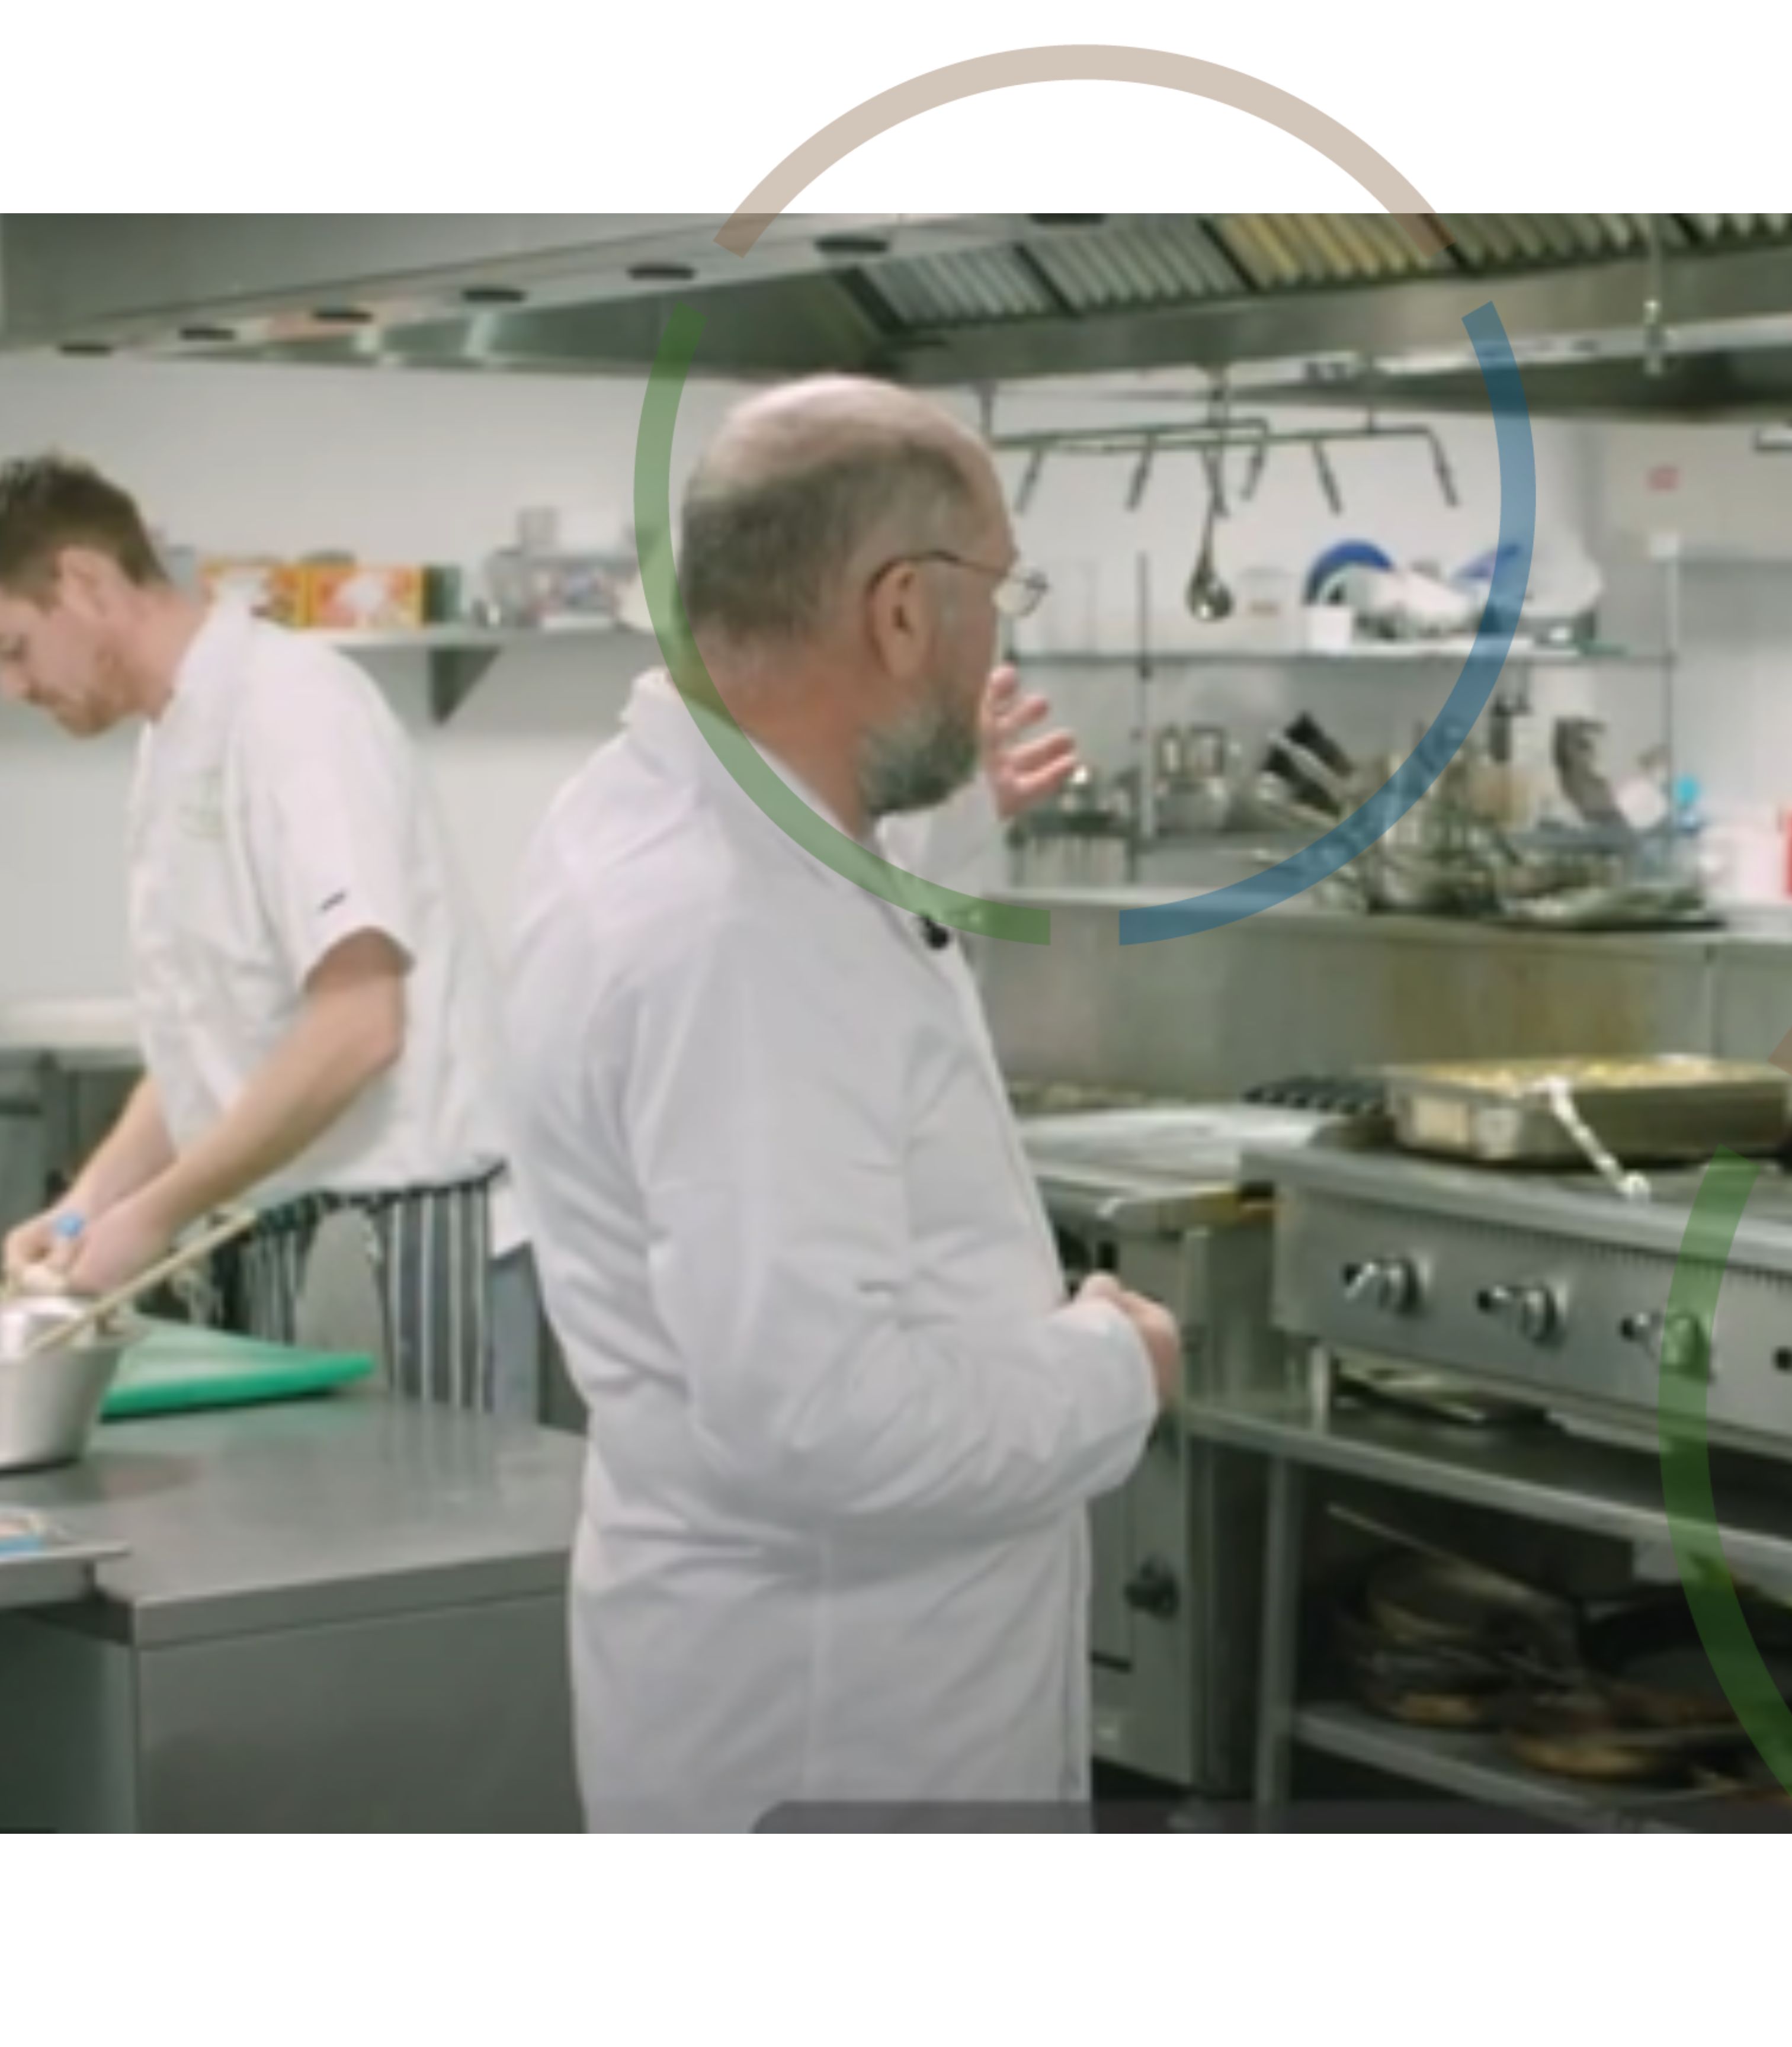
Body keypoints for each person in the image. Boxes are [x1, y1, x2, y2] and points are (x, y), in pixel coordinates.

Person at [496, 373, 1171, 1832]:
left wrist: (949, 805)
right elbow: (822, 1419)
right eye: (1002, 588)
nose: (1005, 633)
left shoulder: (674, 821)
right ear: (905, 611)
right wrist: (1118, 1367)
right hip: (840, 1724)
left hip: (799, 1697)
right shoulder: (737, 932)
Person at [0, 455, 543, 1411]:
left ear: (86, 582)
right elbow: (209, 1049)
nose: (13, 689)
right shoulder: (171, 743)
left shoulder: (296, 711)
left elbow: (360, 1027)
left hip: (402, 1245)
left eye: (13, 650)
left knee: (425, 1547)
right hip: (288, 1240)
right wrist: (89, 1209)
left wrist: (154, 1215)